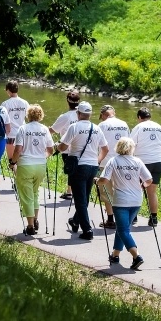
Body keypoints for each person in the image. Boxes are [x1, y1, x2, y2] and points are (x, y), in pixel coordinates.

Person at [97, 137, 151, 270]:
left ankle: (136, 256)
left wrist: (96, 181)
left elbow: (104, 180)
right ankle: (115, 255)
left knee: (123, 230)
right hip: (136, 200)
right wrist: (142, 186)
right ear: (131, 148)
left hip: (121, 201)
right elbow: (149, 179)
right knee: (123, 229)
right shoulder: (137, 161)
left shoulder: (113, 161)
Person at [57, 101, 108, 240]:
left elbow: (62, 147)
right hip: (92, 166)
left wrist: (57, 146)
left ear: (78, 113)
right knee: (83, 197)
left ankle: (87, 230)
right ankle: (75, 221)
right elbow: (105, 149)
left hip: (78, 166)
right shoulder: (97, 128)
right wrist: (97, 160)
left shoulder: (74, 127)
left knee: (80, 199)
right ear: (90, 114)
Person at [9, 104, 54, 235]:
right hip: (40, 166)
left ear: (28, 115)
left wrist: (13, 162)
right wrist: (42, 157)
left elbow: (18, 149)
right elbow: (50, 150)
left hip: (25, 165)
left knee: (26, 195)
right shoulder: (45, 129)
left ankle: (30, 226)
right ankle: (35, 220)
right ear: (40, 115)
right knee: (35, 193)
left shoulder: (23, 129)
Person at [130, 107, 161, 226]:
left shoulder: (138, 127)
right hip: (157, 162)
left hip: (143, 162)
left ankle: (133, 216)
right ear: (149, 116)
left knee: (137, 189)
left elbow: (130, 146)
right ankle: (154, 218)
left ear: (139, 117)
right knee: (152, 192)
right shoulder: (159, 126)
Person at [97, 104, 130, 228]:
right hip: (122, 161)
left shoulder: (102, 125)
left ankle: (110, 219)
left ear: (104, 115)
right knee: (121, 190)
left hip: (106, 162)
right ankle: (124, 218)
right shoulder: (124, 124)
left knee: (107, 192)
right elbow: (129, 143)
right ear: (114, 113)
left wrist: (97, 160)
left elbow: (98, 144)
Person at [49, 90, 81, 199]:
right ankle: (71, 191)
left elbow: (52, 130)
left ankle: (70, 192)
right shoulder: (83, 115)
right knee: (76, 170)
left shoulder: (65, 116)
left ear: (67, 102)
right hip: (82, 148)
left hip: (67, 148)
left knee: (71, 171)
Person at [1, 80, 29, 163]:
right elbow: (29, 117)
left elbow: (2, 120)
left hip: (10, 135)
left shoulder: (5, 104)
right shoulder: (25, 103)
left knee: (12, 161)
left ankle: (16, 175)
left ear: (8, 90)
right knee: (21, 160)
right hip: (22, 133)